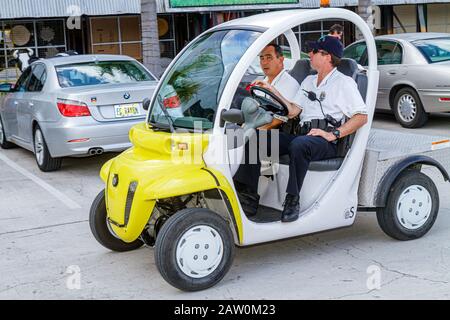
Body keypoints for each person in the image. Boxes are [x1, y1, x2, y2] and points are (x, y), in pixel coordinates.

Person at [233, 35, 368, 223]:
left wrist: (333, 134)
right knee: (258, 137)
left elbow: (361, 116)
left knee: (299, 145)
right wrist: (273, 92)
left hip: (325, 141)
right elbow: (293, 111)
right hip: (303, 135)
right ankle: (247, 196)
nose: (309, 55)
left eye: (313, 52)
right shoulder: (308, 82)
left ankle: (292, 199)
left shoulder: (344, 83)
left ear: (327, 56)